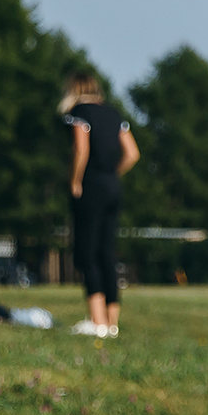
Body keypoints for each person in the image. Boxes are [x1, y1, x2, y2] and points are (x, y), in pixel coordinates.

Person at [62, 71, 136, 338]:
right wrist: (113, 175)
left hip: (91, 185)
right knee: (107, 252)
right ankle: (112, 322)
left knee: (87, 251)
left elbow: (81, 149)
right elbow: (132, 153)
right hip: (113, 187)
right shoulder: (114, 114)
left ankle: (98, 321)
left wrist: (75, 180)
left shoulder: (80, 112)